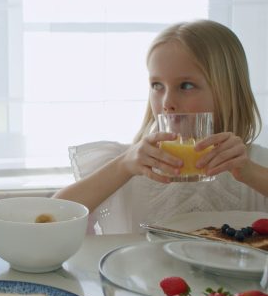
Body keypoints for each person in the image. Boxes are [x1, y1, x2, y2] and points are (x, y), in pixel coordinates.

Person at [53, 19, 268, 234]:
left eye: (186, 85)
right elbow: (49, 218)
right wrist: (122, 167)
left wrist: (250, 173)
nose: (166, 103)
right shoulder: (129, 165)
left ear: (228, 92)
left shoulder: (255, 165)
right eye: (157, 85)